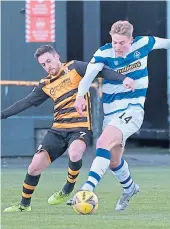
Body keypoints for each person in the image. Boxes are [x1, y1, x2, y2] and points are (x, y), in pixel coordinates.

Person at [2, 45, 128, 212]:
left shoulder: (75, 67)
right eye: (43, 64)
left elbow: (101, 70)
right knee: (34, 166)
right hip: (58, 129)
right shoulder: (45, 84)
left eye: (49, 61)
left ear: (57, 57)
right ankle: (24, 205)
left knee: (75, 152)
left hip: (80, 127)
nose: (48, 66)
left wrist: (123, 78)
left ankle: (68, 188)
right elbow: (25, 102)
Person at [73, 20, 170, 211]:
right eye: (115, 42)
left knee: (102, 142)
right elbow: (88, 77)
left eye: (122, 43)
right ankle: (130, 188)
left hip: (132, 110)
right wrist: (79, 97)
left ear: (131, 40)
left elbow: (167, 43)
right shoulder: (103, 53)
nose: (118, 47)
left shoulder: (144, 44)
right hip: (111, 114)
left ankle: (86, 189)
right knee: (113, 160)